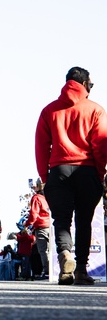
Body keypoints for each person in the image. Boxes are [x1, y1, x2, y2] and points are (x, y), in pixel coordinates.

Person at [34, 66, 107, 285]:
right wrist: (100, 173)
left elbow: (41, 146)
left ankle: (65, 257)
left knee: (62, 220)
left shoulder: (49, 110)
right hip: (87, 170)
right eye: (91, 85)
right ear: (84, 85)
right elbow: (101, 145)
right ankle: (81, 270)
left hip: (59, 170)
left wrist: (44, 177)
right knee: (84, 221)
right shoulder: (95, 109)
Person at [24, 179, 52, 279]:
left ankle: (47, 270)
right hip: (52, 224)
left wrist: (27, 224)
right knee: (53, 249)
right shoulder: (50, 196)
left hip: (41, 226)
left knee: (43, 250)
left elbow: (34, 214)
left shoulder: (36, 197)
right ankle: (56, 269)